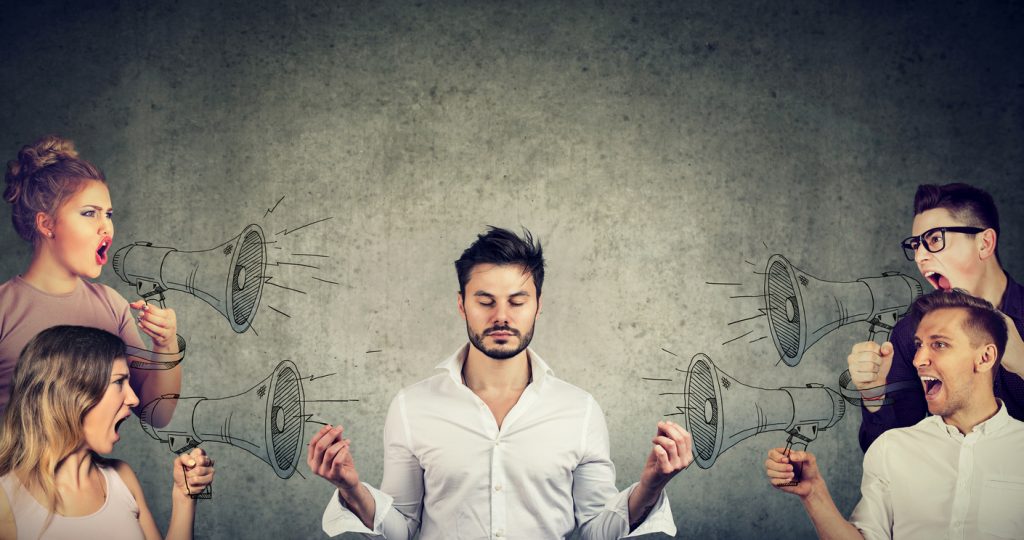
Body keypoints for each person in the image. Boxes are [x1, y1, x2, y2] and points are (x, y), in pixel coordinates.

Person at [308, 227, 693, 539]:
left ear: (538, 305)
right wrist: (351, 489)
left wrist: (652, 486)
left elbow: (595, 530)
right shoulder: (412, 407)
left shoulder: (580, 410)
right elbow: (403, 528)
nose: (502, 316)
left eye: (517, 301)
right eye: (485, 300)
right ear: (462, 305)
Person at [767, 289, 1024, 539]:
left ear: (985, 357)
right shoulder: (892, 448)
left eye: (939, 344)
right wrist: (813, 493)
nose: (918, 359)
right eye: (919, 345)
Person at [0, 134, 182, 424]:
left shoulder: (111, 306)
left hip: (88, 471)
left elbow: (156, 413)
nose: (106, 228)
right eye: (89, 213)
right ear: (46, 223)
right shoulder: (4, 309)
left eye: (108, 214)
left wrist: (165, 344)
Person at [846, 183, 1024, 450]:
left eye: (934, 240)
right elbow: (890, 456)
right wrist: (874, 394)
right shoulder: (911, 334)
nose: (920, 256)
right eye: (916, 245)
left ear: (985, 243)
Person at [0, 325, 214, 539]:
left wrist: (185, 497)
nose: (134, 399)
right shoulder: (6, 499)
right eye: (119, 382)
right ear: (71, 393)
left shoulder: (122, 477)